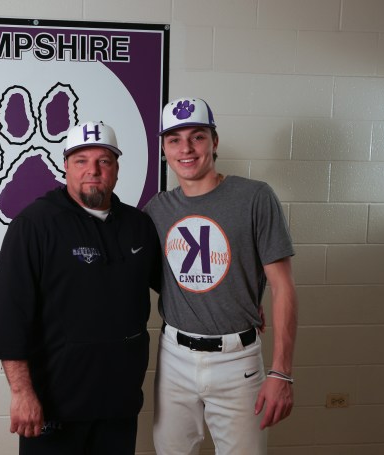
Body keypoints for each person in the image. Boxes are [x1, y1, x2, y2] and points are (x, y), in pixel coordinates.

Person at [0, 120, 161, 455]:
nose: (92, 170)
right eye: (81, 161)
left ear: (116, 168)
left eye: (104, 161)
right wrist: (22, 394)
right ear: (65, 166)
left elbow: (176, 288)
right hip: (55, 409)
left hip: (118, 405)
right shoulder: (34, 225)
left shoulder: (139, 226)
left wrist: (236, 302)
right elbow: (9, 317)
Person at [144, 97, 298, 455]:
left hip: (237, 360)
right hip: (174, 358)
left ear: (214, 141)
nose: (186, 148)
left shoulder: (255, 197)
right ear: (164, 148)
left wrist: (281, 372)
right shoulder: (157, 209)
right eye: (174, 139)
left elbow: (283, 286)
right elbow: (157, 277)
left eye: (197, 136)